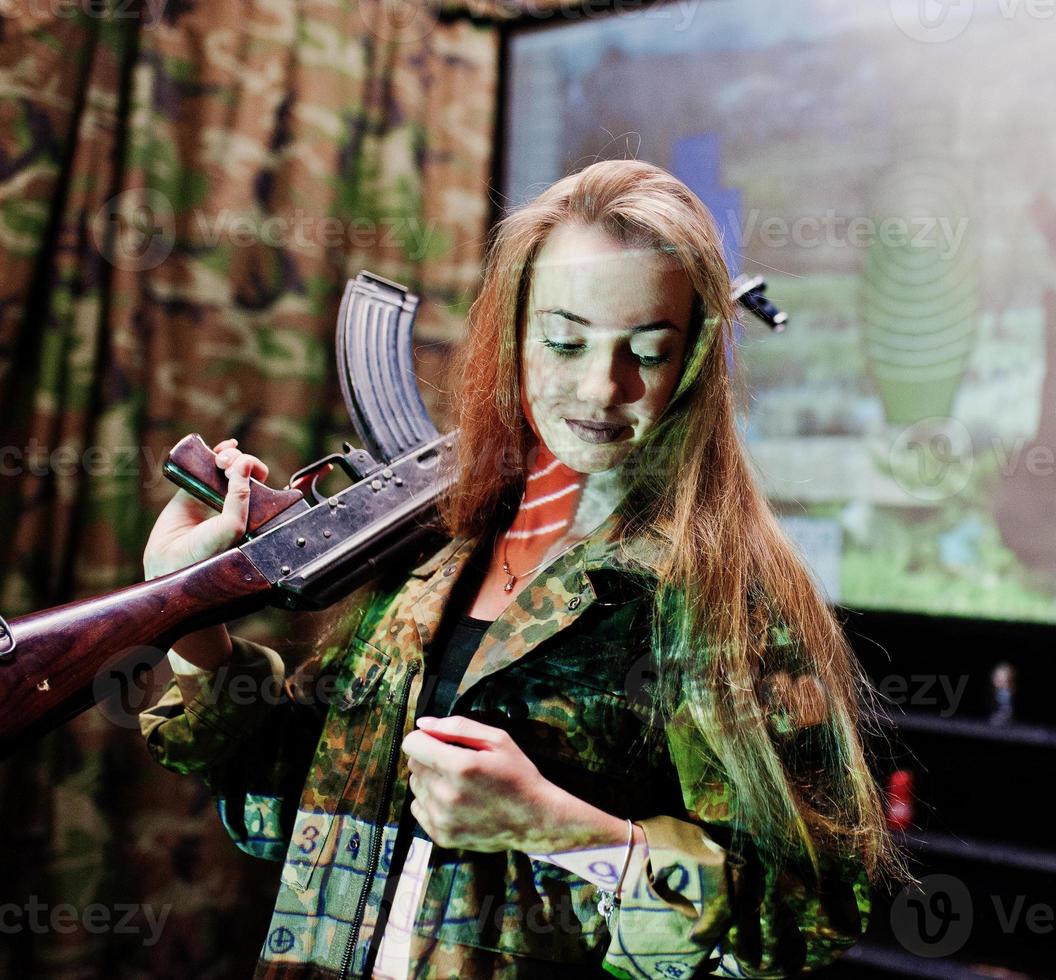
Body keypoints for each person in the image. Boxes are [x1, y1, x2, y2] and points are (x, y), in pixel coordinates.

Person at [138, 159, 908, 978]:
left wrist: (568, 829)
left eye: (645, 351)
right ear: (512, 332)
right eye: (564, 340)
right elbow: (295, 808)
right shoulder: (436, 544)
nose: (599, 387)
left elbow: (807, 909)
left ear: (690, 365)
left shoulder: (724, 595)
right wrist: (195, 624)